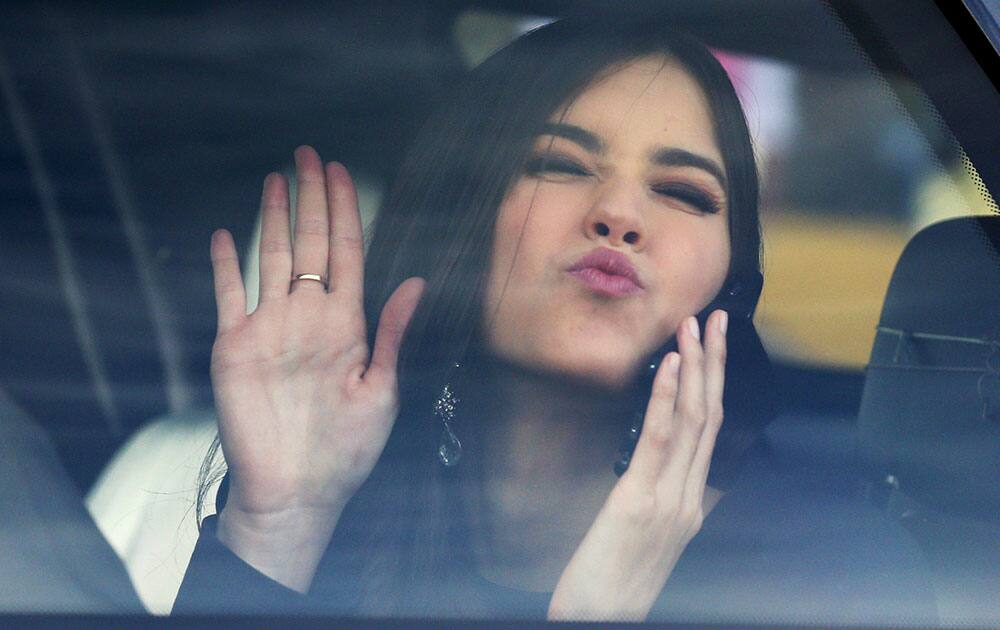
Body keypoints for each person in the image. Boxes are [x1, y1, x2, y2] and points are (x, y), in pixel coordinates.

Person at [174, 15, 936, 623]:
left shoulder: (837, 578)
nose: (619, 215)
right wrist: (281, 524)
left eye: (684, 191)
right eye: (562, 165)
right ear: (459, 216)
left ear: (731, 281)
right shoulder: (340, 517)